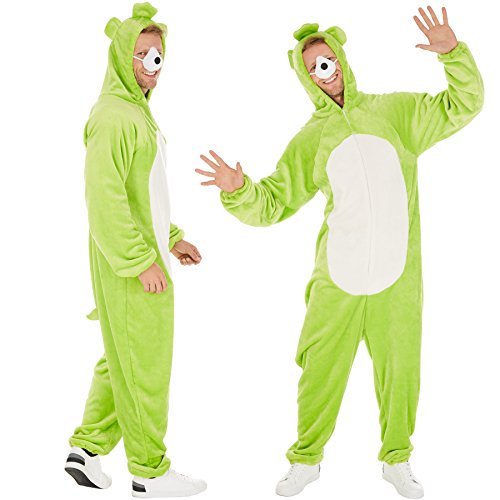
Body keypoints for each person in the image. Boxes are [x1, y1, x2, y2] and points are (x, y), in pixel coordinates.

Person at [196, 6, 483, 499]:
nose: (323, 71)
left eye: (327, 60)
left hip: (397, 277)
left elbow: (464, 104)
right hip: (338, 278)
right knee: (319, 369)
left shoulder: (396, 113)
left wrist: (452, 54)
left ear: (342, 60)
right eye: (313, 68)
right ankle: (305, 460)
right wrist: (238, 189)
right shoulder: (313, 140)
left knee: (401, 370)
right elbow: (273, 202)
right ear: (305, 78)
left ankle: (397, 459)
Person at [65, 3, 206, 498]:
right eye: (142, 53)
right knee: (144, 363)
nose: (152, 64)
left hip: (141, 253)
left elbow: (141, 194)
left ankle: (86, 449)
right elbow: (103, 199)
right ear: (122, 56)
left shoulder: (135, 114)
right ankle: (149, 470)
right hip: (130, 263)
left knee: (121, 356)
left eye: (158, 55)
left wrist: (171, 238)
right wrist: (140, 260)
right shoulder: (113, 117)